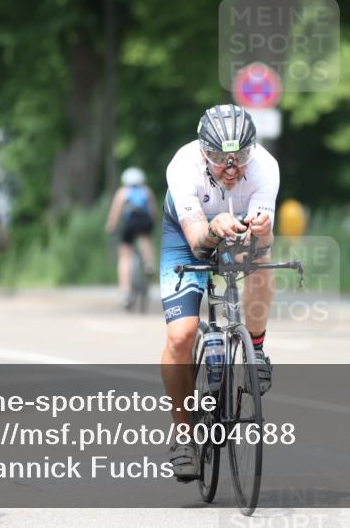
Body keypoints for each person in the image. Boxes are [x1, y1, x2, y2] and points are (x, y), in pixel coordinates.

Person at [159, 104, 278, 480]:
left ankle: (255, 349)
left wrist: (262, 231)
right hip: (185, 233)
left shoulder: (265, 167)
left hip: (240, 227)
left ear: (252, 151)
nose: (231, 168)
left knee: (261, 262)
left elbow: (264, 242)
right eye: (218, 158)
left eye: (240, 157)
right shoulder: (182, 166)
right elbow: (198, 243)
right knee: (181, 334)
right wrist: (214, 229)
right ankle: (182, 435)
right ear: (202, 151)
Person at [105, 167, 157, 309]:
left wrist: (111, 226)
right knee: (145, 239)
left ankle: (126, 291)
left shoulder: (123, 192)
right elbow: (153, 212)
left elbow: (115, 213)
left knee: (125, 255)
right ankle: (149, 263)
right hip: (145, 222)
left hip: (130, 223)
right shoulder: (146, 191)